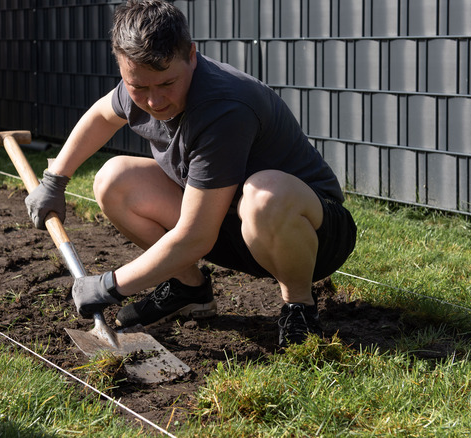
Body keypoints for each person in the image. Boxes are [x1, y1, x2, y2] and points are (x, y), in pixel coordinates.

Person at [25, 0, 356, 347]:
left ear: (192, 56)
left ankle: (299, 307)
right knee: (113, 179)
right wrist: (55, 180)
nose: (154, 102)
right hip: (233, 229)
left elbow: (196, 236)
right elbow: (101, 116)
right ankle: (189, 288)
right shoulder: (141, 82)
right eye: (138, 86)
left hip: (312, 235)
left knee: (264, 195)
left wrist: (109, 285)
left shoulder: (223, 108)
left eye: (167, 83)